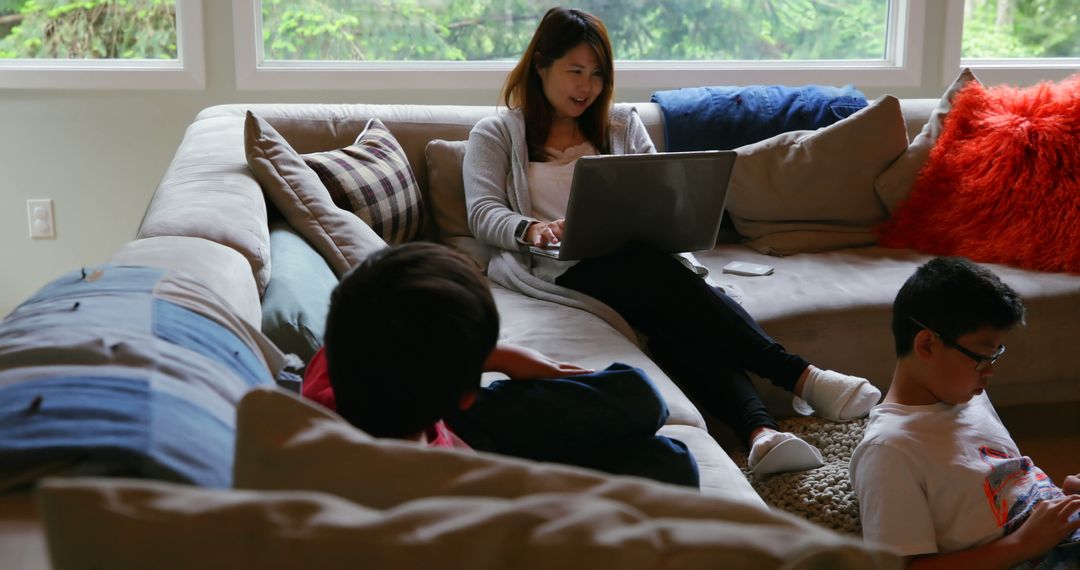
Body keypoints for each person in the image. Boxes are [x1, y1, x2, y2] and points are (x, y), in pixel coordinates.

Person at [462, 6, 880, 475]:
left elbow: (657, 189)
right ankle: (800, 376)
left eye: (597, 74)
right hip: (560, 270)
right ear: (540, 65)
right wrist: (531, 228)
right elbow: (482, 213)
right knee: (655, 278)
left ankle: (761, 435)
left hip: (638, 263)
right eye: (574, 71)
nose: (586, 87)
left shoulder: (621, 125)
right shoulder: (496, 133)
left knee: (670, 315)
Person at [302, 241, 700, 488]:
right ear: (467, 393)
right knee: (673, 465)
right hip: (483, 480)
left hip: (455, 425)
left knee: (640, 394)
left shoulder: (348, 345)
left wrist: (502, 356)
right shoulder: (427, 495)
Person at [850, 256, 1080, 569]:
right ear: (928, 345)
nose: (989, 373)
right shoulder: (890, 450)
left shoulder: (971, 398)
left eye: (995, 356)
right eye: (981, 358)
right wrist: (1025, 543)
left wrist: (1061, 496)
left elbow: (1007, 481)